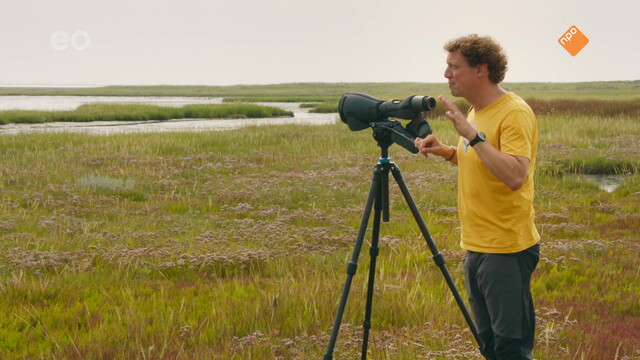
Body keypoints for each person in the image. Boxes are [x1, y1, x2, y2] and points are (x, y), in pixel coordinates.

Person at [415, 34, 540, 360]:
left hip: (506, 249)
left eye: (454, 67)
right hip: (476, 247)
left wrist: (470, 135)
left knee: (511, 350)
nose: (446, 74)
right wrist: (447, 151)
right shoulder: (474, 112)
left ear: (480, 70)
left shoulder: (513, 113)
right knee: (490, 347)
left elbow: (514, 175)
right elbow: (481, 160)